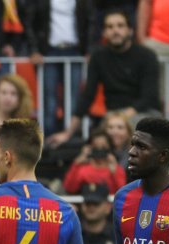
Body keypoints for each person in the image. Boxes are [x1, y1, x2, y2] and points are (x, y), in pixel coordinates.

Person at [47, 11, 161, 149]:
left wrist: (122, 118)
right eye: (110, 27)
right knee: (96, 142)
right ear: (104, 33)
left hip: (144, 113)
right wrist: (68, 133)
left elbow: (149, 96)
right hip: (112, 114)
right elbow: (88, 95)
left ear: (130, 30)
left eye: (120, 26)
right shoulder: (98, 56)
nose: (115, 30)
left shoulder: (147, 56)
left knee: (122, 130)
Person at [24, 0, 91, 137]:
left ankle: (71, 137)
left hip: (75, 51)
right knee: (49, 101)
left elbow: (91, 21)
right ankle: (48, 140)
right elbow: (30, 21)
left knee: (74, 100)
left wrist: (90, 49)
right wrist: (34, 49)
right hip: (48, 52)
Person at [62, 130, 128, 194]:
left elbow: (123, 193)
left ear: (109, 147)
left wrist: (115, 172)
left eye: (103, 146)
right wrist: (76, 163)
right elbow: (69, 188)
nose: (99, 149)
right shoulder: (82, 169)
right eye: (96, 146)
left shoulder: (116, 169)